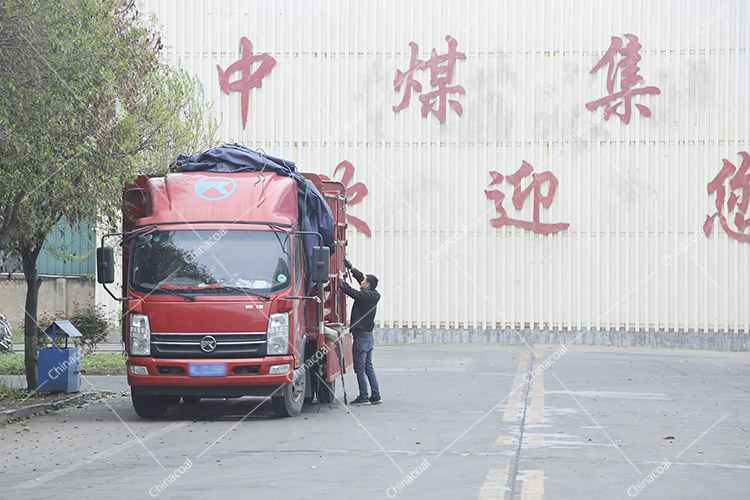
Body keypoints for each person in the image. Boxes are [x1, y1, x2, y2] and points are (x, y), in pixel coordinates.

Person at [340, 259, 381, 405]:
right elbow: (360, 279)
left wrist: (341, 282)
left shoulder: (366, 296)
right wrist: (352, 268)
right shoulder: (373, 294)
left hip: (361, 338)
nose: (361, 281)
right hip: (368, 338)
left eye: (364, 281)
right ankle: (375, 395)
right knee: (368, 367)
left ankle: (364, 396)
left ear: (368, 285)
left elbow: (353, 293)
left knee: (360, 368)